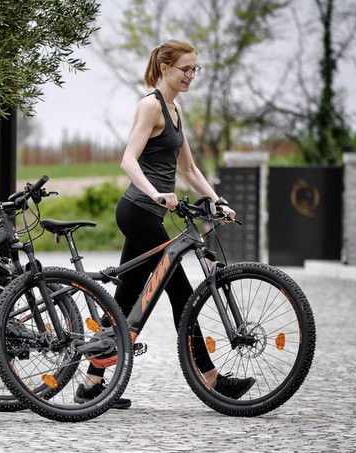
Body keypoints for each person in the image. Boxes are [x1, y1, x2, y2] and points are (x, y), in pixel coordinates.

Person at [74, 40, 256, 409]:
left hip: (150, 212)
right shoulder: (150, 106)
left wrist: (217, 200)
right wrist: (156, 193)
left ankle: (91, 383)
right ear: (165, 68)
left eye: (195, 69)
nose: (191, 75)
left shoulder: (175, 110)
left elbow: (188, 169)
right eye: (185, 69)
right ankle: (211, 379)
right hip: (138, 209)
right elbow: (128, 159)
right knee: (182, 293)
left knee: (126, 298)